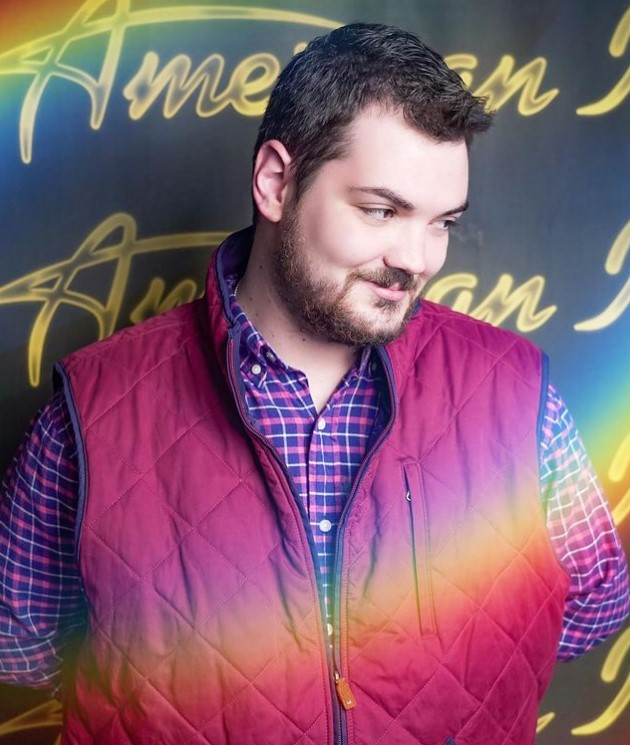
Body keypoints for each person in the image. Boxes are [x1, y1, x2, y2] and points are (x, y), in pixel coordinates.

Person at [1, 22, 628, 745]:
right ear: (276, 181)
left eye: (442, 222)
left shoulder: (517, 395)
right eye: (381, 210)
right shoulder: (95, 411)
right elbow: (28, 645)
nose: (416, 258)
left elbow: (588, 603)